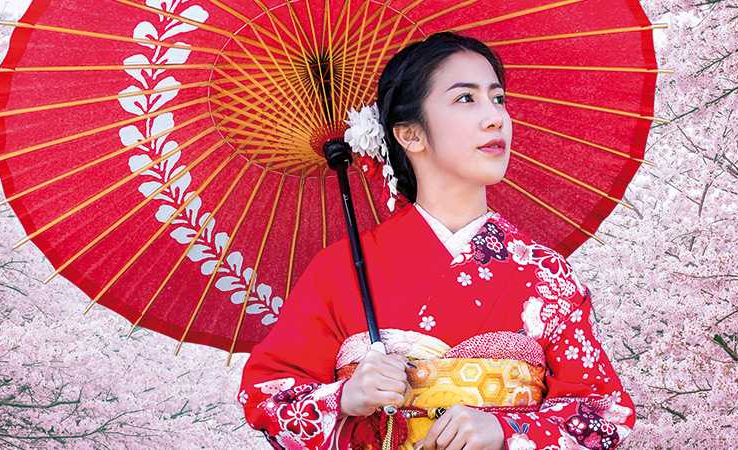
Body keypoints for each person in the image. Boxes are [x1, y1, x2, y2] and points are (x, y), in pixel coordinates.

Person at [238, 32, 633, 450]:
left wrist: (508, 432)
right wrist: (345, 398)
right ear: (410, 135)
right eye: (466, 99)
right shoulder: (339, 270)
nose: (495, 117)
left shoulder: (545, 273)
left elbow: (604, 410)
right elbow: (266, 393)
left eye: (498, 99)